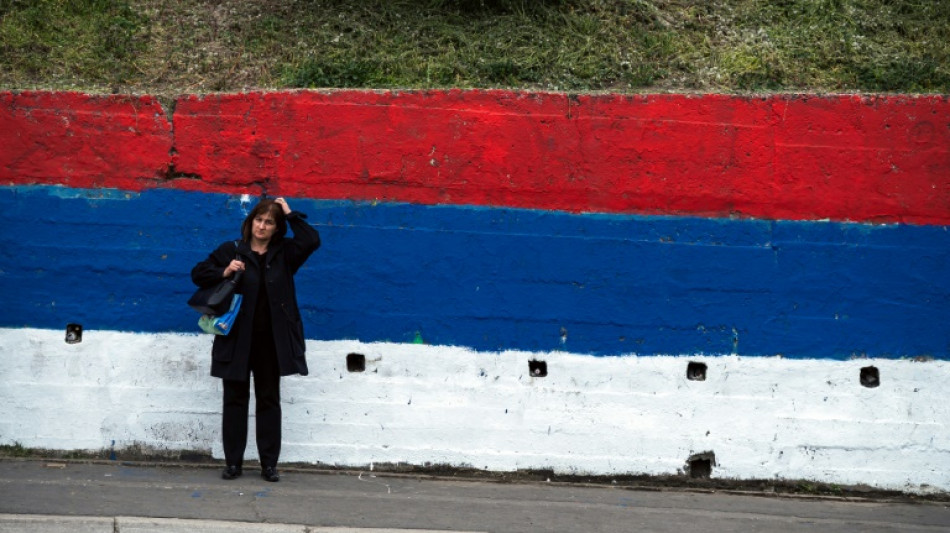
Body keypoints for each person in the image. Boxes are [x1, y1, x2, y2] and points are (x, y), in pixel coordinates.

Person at [191, 197, 320, 482]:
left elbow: (311, 240)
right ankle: (233, 463)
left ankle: (269, 465)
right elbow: (198, 274)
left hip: (271, 342)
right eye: (258, 220)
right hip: (236, 339)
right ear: (250, 222)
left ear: (277, 228)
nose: (262, 226)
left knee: (269, 400)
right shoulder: (232, 250)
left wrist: (290, 213)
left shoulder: (285, 253)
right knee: (235, 400)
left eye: (269, 222)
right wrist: (225, 271)